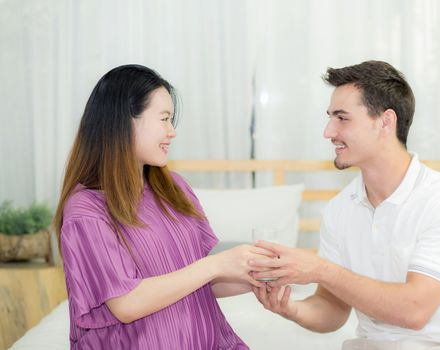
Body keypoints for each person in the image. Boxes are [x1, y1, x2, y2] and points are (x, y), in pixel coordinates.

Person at [249, 61, 440, 349]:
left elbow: (414, 310)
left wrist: (320, 269)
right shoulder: (341, 208)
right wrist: (290, 308)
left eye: (342, 118)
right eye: (330, 118)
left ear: (385, 122)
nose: (328, 132)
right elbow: (331, 308)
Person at [53, 64, 275, 349]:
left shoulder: (174, 188)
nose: (172, 132)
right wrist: (216, 264)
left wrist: (257, 278)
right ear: (124, 121)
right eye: (164, 119)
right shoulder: (86, 211)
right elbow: (126, 303)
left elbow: (202, 283)